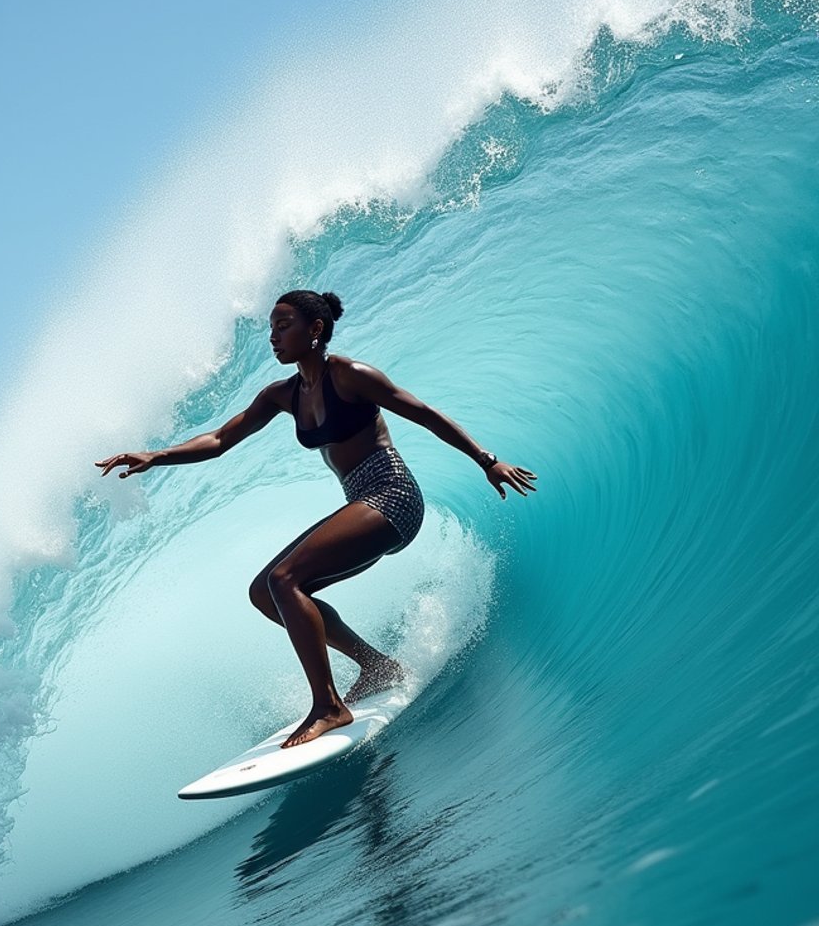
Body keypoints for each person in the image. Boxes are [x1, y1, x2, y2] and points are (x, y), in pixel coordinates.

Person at [96, 289, 537, 748]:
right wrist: (156, 456)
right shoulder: (283, 394)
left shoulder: (350, 376)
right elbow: (222, 438)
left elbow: (424, 414)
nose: (273, 336)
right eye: (271, 327)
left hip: (393, 496)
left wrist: (487, 461)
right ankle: (377, 665)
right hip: (361, 500)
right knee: (266, 592)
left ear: (316, 329)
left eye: (282, 325)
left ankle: (328, 706)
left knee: (286, 579)